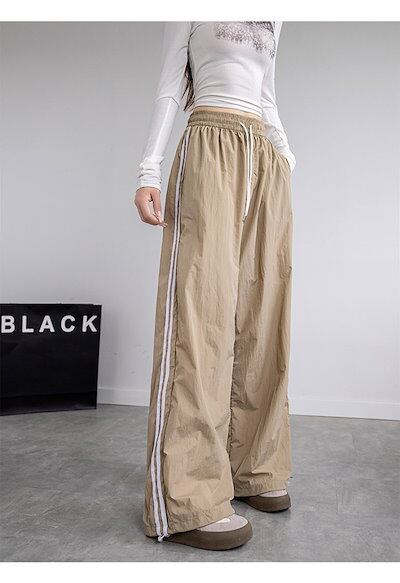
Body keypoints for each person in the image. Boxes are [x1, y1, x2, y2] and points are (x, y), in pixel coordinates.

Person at [134, 21, 295, 551]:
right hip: (210, 143)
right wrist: (149, 170)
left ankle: (254, 466)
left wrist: (284, 154)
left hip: (262, 155)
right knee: (199, 316)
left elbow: (267, 92)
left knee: (262, 313)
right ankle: (188, 498)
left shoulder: (275, 13)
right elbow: (169, 86)